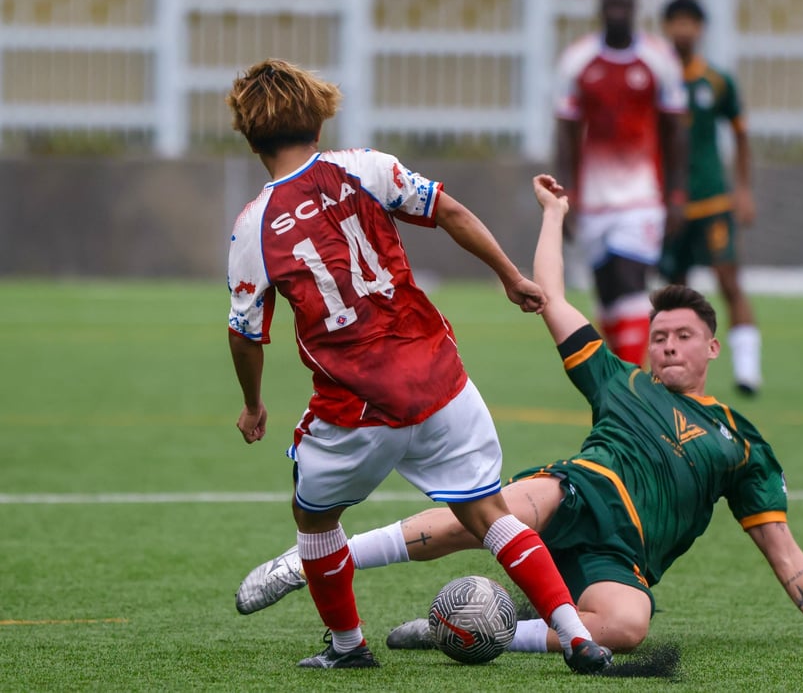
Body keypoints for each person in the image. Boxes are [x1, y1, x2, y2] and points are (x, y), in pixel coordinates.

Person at [236, 174, 803, 655]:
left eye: (683, 335)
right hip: (574, 495)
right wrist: (554, 215)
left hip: (620, 558)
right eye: (659, 335)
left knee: (626, 626)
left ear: (713, 346)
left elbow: (783, 551)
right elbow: (552, 296)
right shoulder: (618, 379)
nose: (668, 344)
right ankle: (312, 562)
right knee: (508, 501)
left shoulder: (742, 442)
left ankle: (468, 630)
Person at [224, 59, 611, 673]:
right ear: (319, 122)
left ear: (248, 138)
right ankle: (578, 638)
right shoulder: (366, 167)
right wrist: (511, 277)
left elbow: (247, 334)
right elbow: (451, 212)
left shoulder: (255, 225)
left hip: (357, 405)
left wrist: (253, 404)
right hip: (439, 381)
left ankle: (349, 649)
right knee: (488, 512)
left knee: (314, 515)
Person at [554, 0, 688, 366]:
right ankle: (621, 384)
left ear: (635, 9)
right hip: (593, 202)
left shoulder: (658, 58)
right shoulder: (577, 61)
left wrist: (676, 194)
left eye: (623, 6)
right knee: (608, 296)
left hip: (640, 197)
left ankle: (633, 390)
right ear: (601, 10)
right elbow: (565, 135)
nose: (617, 13)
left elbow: (675, 131)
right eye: (610, 5)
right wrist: (567, 197)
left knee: (631, 285)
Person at [660, 0, 763, 394]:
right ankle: (676, 373)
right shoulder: (658, 79)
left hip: (713, 202)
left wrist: (743, 190)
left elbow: (740, 133)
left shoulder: (716, 81)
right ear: (666, 28)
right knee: (676, 291)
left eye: (690, 22)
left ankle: (747, 371)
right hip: (673, 207)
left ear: (700, 30)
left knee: (729, 281)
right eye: (676, 22)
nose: (683, 30)